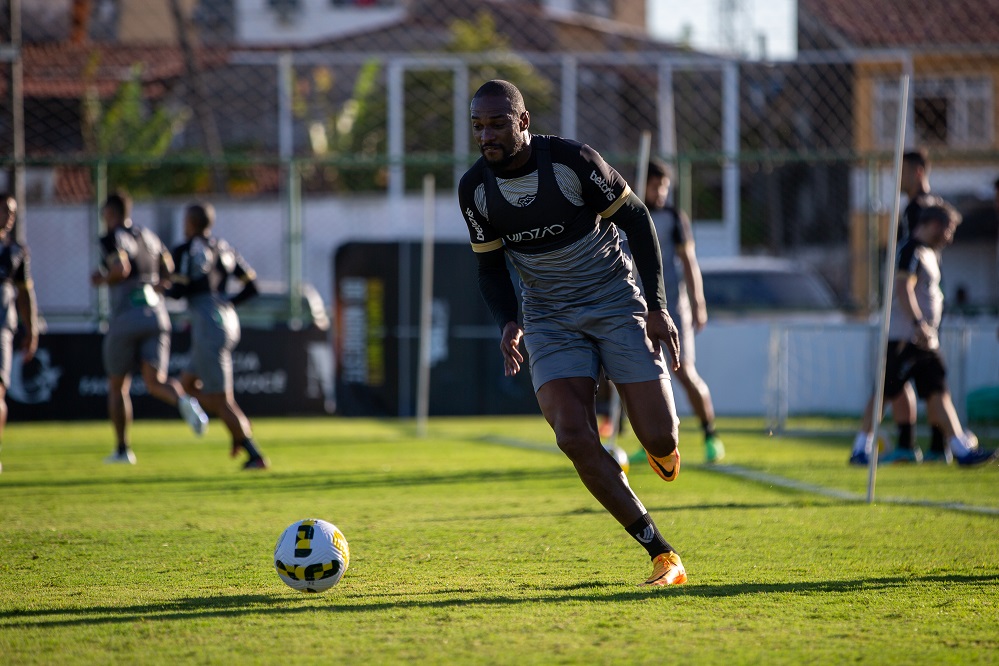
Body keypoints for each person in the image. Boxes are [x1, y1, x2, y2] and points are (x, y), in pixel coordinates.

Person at [458, 79, 687, 586]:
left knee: (660, 437)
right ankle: (661, 553)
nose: (486, 135)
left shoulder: (572, 162)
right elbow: (490, 268)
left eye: (497, 123)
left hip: (614, 300)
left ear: (523, 122)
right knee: (573, 435)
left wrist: (657, 306)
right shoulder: (474, 189)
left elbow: (638, 220)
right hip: (549, 317)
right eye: (478, 125)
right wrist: (509, 322)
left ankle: (658, 448)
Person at [849, 203, 997, 467]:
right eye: (949, 230)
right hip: (905, 336)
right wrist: (918, 322)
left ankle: (960, 447)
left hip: (925, 340)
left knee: (939, 390)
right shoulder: (911, 250)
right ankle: (861, 446)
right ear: (935, 225)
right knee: (884, 391)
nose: (950, 237)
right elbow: (904, 287)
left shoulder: (928, 253)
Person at [90, 192, 209, 464]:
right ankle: (185, 402)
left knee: (118, 386)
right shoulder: (149, 236)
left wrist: (103, 279)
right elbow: (168, 266)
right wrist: (158, 285)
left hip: (126, 315)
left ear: (111, 214)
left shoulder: (112, 237)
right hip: (156, 314)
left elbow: (120, 267)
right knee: (156, 381)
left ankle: (122, 450)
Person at [625, 158, 724, 464]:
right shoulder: (627, 213)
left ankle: (711, 434)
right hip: (637, 308)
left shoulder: (673, 218)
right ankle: (653, 442)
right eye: (656, 186)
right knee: (646, 377)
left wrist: (699, 303)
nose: (662, 192)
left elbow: (689, 262)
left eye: (665, 186)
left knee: (684, 373)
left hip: (672, 309)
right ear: (644, 184)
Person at [167, 203, 268, 470]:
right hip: (226, 320)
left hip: (207, 325)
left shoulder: (186, 250)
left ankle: (252, 451)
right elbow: (252, 286)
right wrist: (227, 303)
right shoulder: (224, 247)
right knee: (187, 385)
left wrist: (159, 285)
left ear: (189, 223)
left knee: (222, 400)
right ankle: (237, 427)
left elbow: (177, 291)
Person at [0, 194, 39, 473]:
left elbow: (25, 293)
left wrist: (31, 329)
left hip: (2, 325)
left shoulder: (15, 251)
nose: (9, 216)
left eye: (13, 211)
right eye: (4, 210)